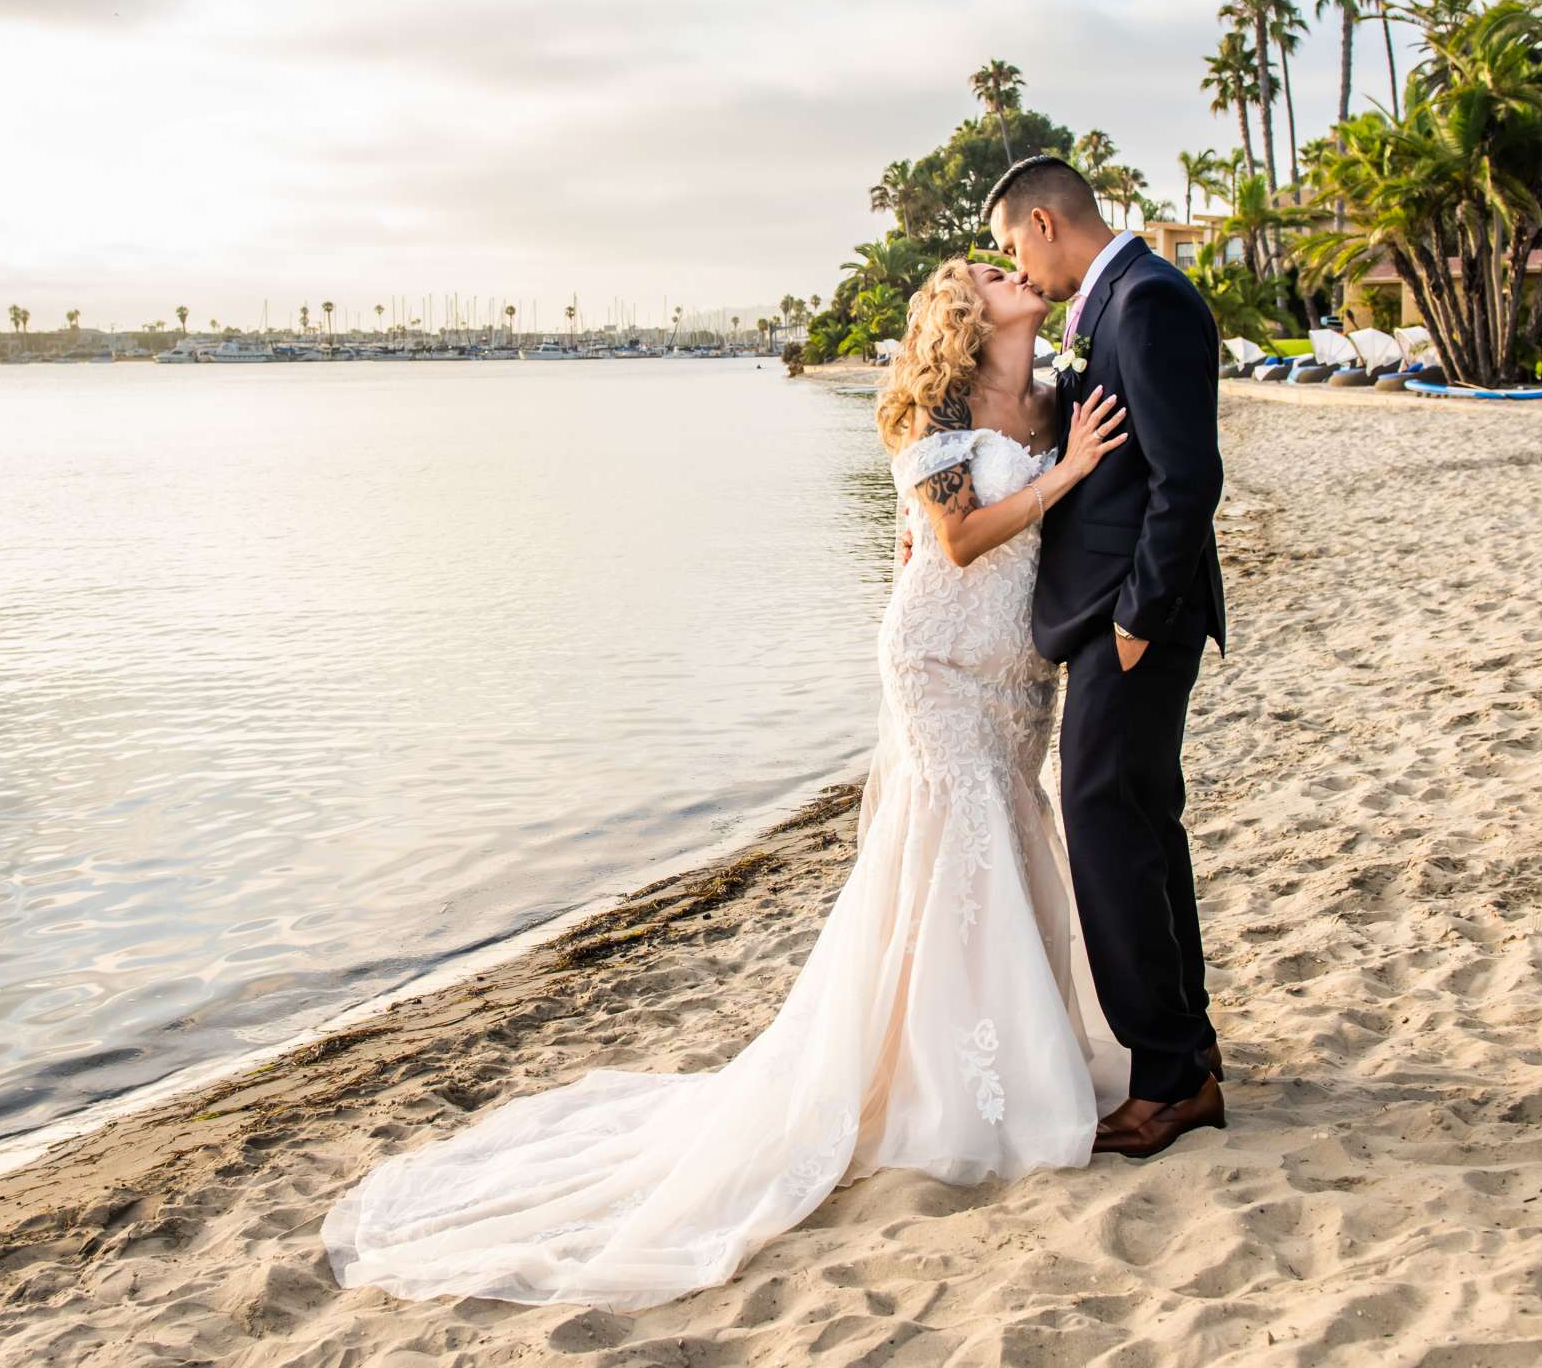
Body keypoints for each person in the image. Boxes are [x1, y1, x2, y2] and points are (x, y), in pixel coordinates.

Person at [323, 258, 1130, 1310]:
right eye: (987, 269)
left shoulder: (1056, 395)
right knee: (951, 855)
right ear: (965, 312)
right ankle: (955, 1092)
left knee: (1008, 844)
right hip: (937, 664)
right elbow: (956, 538)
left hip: (1014, 674)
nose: (1012, 270)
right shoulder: (939, 405)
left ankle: (1013, 1060)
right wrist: (1061, 475)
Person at [983, 155, 1229, 1162]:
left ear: (1043, 222)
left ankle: (1170, 1075)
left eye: (1008, 246)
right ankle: (1189, 1046)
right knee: (1140, 817)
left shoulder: (1148, 301)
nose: (1013, 265)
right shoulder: (1117, 299)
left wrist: (1136, 616)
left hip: (1140, 620)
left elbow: (1187, 479)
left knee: (1100, 820)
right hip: (1123, 615)